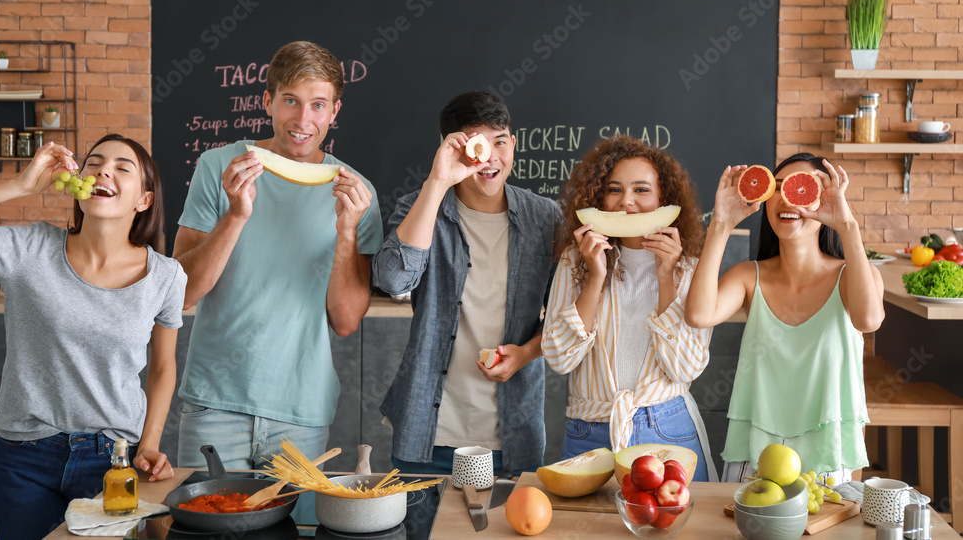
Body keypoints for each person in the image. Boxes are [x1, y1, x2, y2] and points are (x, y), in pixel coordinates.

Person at [173, 42, 382, 512]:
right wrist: (236, 214)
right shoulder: (217, 168)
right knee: (204, 529)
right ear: (266, 101)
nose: (302, 119)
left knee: (297, 530)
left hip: (301, 413)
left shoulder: (358, 193)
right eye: (290, 100)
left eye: (318, 104)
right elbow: (182, 292)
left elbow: (346, 320)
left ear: (335, 111)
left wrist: (346, 230)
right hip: (215, 403)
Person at [0, 135, 185, 540]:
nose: (103, 170)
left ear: (144, 201)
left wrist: (149, 444)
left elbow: (164, 367)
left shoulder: (166, 276)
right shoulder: (29, 248)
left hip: (114, 459)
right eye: (95, 162)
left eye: (123, 167)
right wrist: (20, 185)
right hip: (24, 455)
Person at [373, 91, 561, 476]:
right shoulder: (420, 206)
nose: (490, 157)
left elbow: (565, 317)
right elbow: (393, 279)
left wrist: (524, 355)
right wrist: (438, 181)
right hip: (426, 429)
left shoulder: (546, 218)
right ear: (452, 148)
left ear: (515, 143)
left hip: (512, 434)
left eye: (500, 142)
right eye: (478, 144)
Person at [684, 154, 884, 482]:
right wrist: (721, 224)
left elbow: (868, 320)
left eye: (801, 187)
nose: (786, 197)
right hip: (755, 455)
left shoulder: (852, 277)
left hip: (827, 456)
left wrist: (847, 225)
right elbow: (699, 314)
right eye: (776, 188)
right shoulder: (749, 276)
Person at [543, 135, 714, 481]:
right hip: (590, 432)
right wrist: (595, 277)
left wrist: (666, 276)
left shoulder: (689, 268)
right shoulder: (574, 261)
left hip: (667, 432)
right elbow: (559, 359)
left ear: (664, 199)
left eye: (641, 190)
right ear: (600, 198)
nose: (626, 203)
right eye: (615, 190)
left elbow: (686, 367)